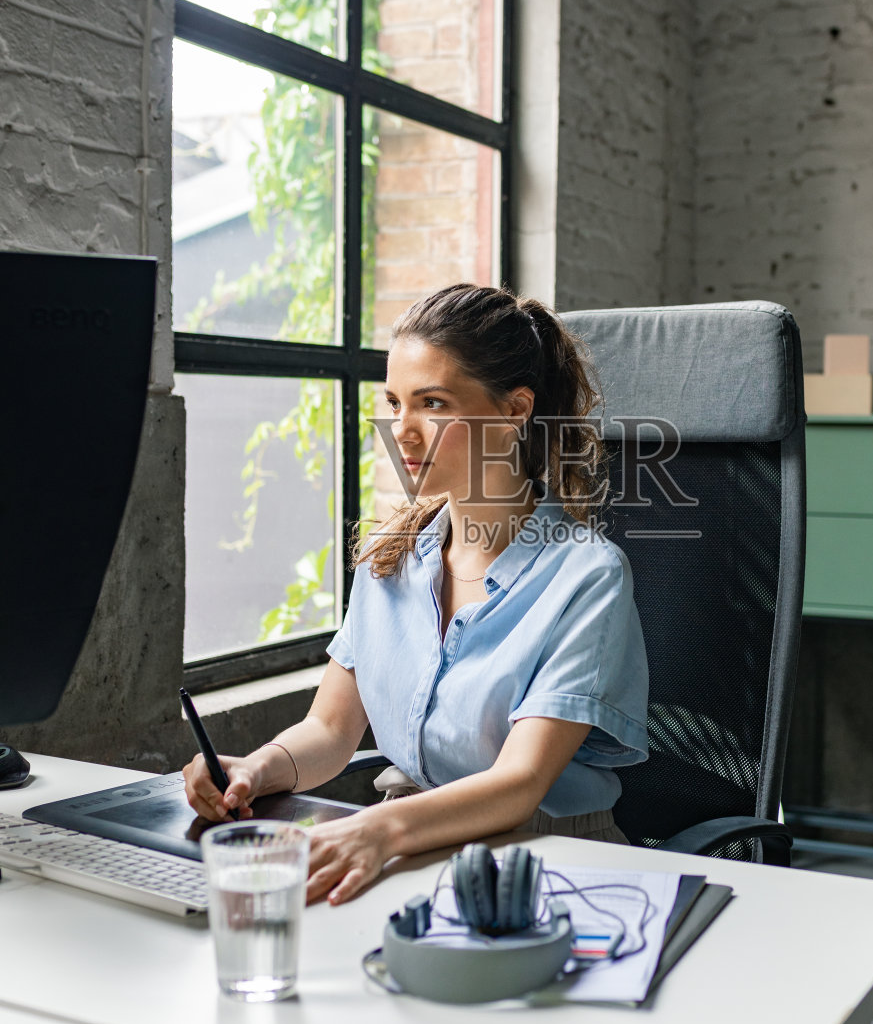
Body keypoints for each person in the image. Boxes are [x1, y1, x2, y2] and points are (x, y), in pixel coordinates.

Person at [182, 283, 649, 905]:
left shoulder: (587, 577)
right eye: (394, 403)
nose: (401, 432)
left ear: (514, 412)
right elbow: (329, 729)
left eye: (432, 404)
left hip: (549, 862)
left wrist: (375, 829)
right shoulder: (390, 557)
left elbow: (518, 783)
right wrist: (254, 768)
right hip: (413, 851)